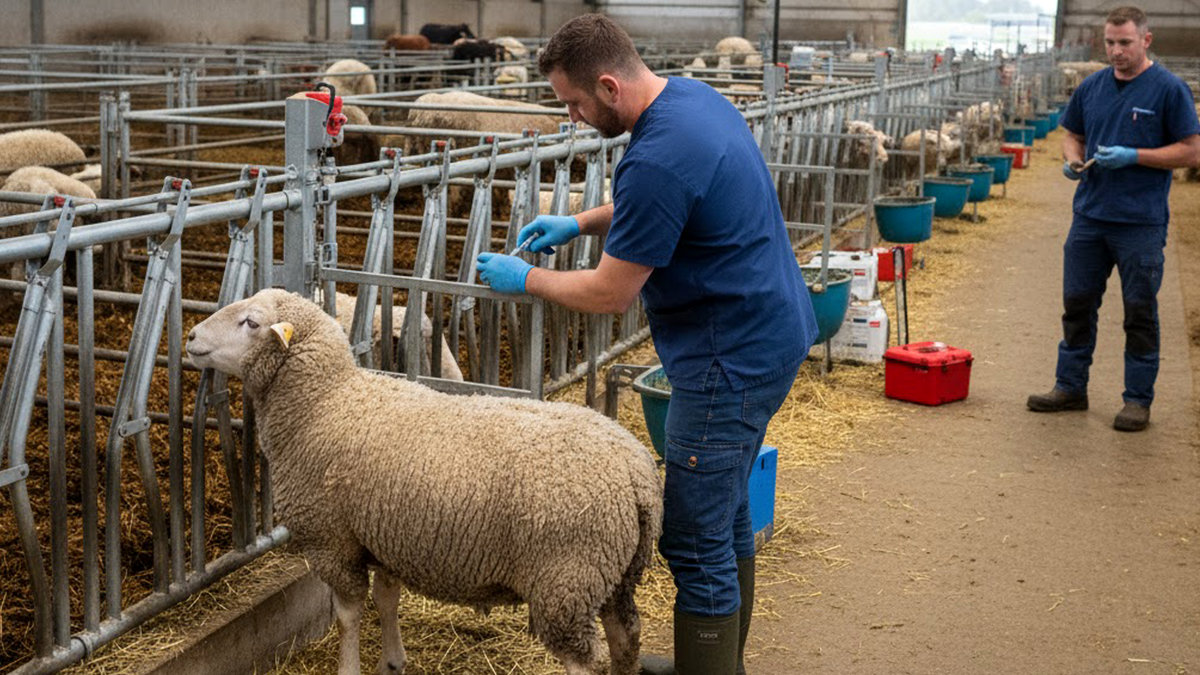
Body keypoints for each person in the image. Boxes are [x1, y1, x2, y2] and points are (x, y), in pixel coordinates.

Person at [474, 13, 818, 675]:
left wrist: (527, 278)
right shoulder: (691, 100)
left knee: (692, 539)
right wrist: (579, 220)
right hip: (770, 330)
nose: (573, 117)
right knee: (725, 512)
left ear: (609, 86)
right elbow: (670, 201)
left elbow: (611, 292)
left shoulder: (656, 156)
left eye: (575, 103)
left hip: (727, 360)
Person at [1028, 5, 1200, 431]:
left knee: (1139, 311)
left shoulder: (1169, 89)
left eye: (1125, 42)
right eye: (1110, 42)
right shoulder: (1092, 87)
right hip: (1090, 216)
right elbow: (1073, 134)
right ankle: (1070, 386)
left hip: (1140, 222)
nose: (1116, 51)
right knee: (1077, 304)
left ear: (1146, 40)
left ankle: (1137, 399)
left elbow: (1192, 151)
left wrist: (1134, 156)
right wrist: (1073, 160)